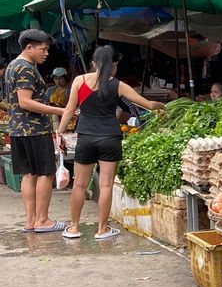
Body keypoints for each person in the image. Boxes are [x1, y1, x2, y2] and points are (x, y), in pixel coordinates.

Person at [57, 45, 165, 240]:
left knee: (79, 185)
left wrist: (59, 132)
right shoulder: (118, 84)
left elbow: (69, 110)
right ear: (114, 64)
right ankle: (102, 229)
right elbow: (147, 104)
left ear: (93, 63)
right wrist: (163, 106)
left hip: (86, 137)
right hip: (110, 137)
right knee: (106, 185)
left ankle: (73, 228)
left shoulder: (79, 81)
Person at [4, 29, 66, 232]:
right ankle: (42, 220)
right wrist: (60, 110)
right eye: (43, 49)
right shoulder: (26, 68)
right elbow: (25, 102)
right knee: (45, 174)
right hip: (35, 130)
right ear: (29, 47)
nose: (46, 53)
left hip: (17, 130)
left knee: (29, 174)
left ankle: (31, 221)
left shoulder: (13, 66)